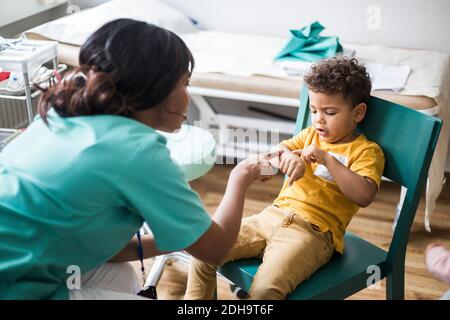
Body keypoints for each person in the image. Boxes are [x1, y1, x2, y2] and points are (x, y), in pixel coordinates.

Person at [0, 19, 276, 300]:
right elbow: (215, 249)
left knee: (119, 277)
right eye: (185, 83)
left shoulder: (60, 115)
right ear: (157, 86)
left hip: (19, 258)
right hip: (14, 287)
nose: (188, 97)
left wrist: (178, 232)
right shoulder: (136, 150)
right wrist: (241, 176)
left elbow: (104, 248)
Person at [185, 57, 385, 300]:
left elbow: (364, 195)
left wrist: (328, 159)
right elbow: (276, 153)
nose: (319, 119)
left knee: (265, 290)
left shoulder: (366, 151)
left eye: (329, 112)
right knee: (203, 253)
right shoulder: (310, 134)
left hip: (313, 234)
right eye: (314, 110)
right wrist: (288, 158)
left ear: (358, 112)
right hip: (272, 215)